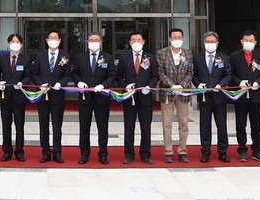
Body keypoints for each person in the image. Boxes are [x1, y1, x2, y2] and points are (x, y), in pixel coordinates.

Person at [116, 30, 159, 164]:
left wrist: (149, 86)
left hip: (145, 98)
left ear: (143, 42)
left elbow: (155, 76)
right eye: (133, 40)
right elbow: (118, 76)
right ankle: (129, 154)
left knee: (146, 127)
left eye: (138, 40)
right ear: (129, 42)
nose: (136, 43)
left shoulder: (150, 57)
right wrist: (125, 86)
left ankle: (145, 154)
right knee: (129, 127)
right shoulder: (124, 57)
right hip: (130, 97)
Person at [72, 32, 115, 165]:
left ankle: (103, 153)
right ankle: (84, 153)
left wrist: (103, 85)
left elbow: (112, 75)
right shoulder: (80, 57)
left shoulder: (107, 57)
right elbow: (74, 73)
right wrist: (78, 82)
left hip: (101, 97)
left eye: (96, 40)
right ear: (87, 42)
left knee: (102, 128)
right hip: (85, 97)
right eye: (91, 40)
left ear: (101, 42)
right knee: (84, 127)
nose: (94, 42)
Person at [30, 29, 71, 163]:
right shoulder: (40, 55)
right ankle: (45, 152)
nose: (53, 39)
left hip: (58, 95)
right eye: (51, 37)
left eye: (56, 37)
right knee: (43, 124)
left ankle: (57, 152)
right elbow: (34, 73)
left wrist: (60, 83)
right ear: (47, 40)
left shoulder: (64, 56)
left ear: (59, 40)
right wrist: (40, 84)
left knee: (57, 125)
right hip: (43, 95)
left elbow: (67, 75)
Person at [193, 31, 232, 163]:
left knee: (221, 126)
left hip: (219, 97)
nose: (210, 44)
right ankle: (205, 152)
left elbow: (228, 74)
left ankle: (223, 152)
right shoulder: (197, 58)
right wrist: (199, 84)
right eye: (208, 42)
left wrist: (221, 84)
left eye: (212, 42)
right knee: (205, 126)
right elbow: (194, 75)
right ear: (204, 43)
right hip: (204, 97)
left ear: (217, 43)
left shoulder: (223, 57)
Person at [229, 30, 260, 162]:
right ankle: (242, 150)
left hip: (256, 95)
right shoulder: (234, 56)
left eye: (251, 41)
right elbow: (230, 74)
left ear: (255, 42)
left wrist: (258, 82)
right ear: (241, 41)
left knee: (256, 125)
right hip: (240, 95)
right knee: (241, 124)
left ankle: (257, 150)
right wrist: (239, 82)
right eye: (246, 40)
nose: (248, 43)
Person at [156, 27, 194, 163]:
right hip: (168, 92)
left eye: (179, 37)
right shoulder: (162, 53)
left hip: (183, 93)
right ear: (169, 39)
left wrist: (182, 85)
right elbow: (160, 72)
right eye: (174, 37)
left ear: (182, 39)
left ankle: (182, 151)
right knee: (167, 124)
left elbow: (190, 72)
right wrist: (172, 85)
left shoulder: (188, 54)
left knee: (184, 123)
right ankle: (168, 151)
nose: (177, 40)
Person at [0, 33, 30, 162]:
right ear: (9, 43)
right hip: (5, 96)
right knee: (6, 125)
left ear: (21, 44)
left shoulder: (25, 59)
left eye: (17, 41)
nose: (15, 43)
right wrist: (0, 82)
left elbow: (29, 75)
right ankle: (7, 151)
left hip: (19, 96)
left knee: (19, 125)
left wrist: (22, 83)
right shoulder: (2, 59)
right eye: (12, 41)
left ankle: (19, 151)